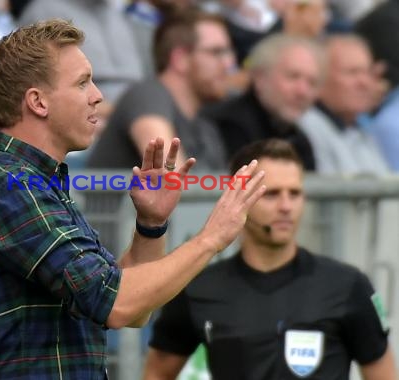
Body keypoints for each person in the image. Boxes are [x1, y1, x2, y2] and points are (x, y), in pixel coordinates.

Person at [0, 19, 266, 379]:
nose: (98, 95)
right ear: (38, 102)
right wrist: (212, 239)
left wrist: (151, 226)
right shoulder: (8, 185)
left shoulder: (30, 182)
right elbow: (118, 304)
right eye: (82, 82)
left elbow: (131, 307)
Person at [143, 139, 397, 380]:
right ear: (238, 198)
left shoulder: (347, 285)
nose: (286, 206)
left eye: (295, 193)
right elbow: (157, 372)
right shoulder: (198, 289)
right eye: (272, 194)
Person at [89, 9, 232, 170]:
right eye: (216, 52)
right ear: (180, 59)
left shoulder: (206, 129)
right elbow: (172, 181)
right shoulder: (146, 97)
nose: (229, 63)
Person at [201, 33, 322, 170]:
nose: (302, 91)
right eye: (293, 77)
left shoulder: (299, 140)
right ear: (260, 78)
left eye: (312, 83)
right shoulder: (227, 126)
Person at [299, 34, 388, 174]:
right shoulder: (304, 129)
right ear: (320, 79)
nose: (364, 82)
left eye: (368, 72)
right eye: (352, 72)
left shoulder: (359, 129)